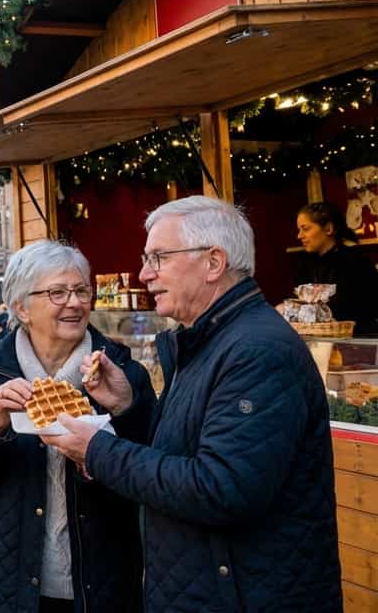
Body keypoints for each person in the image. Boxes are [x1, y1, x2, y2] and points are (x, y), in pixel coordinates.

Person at [43, 196, 342, 613]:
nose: (145, 274)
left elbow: (222, 488)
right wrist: (129, 408)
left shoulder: (256, 350)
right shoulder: (206, 340)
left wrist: (96, 450)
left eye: (158, 258)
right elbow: (182, 453)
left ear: (213, 262)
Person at [0, 240, 153, 613]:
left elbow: (153, 469)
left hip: (103, 579)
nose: (75, 303)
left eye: (82, 290)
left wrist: (125, 410)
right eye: (57, 292)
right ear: (21, 307)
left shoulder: (123, 372)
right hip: (6, 576)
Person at [295, 200, 378, 336]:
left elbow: (363, 311)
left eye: (306, 229)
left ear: (328, 229)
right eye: (299, 230)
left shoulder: (355, 261)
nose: (300, 236)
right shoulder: (306, 264)